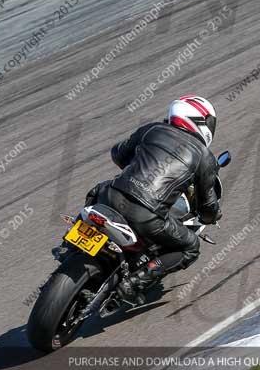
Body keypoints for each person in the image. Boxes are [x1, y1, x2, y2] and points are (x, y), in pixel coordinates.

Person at [85, 95, 221, 298]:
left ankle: (74, 246)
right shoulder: (204, 156)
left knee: (96, 191)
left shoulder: (152, 129)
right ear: (200, 121)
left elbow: (118, 154)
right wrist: (213, 215)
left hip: (110, 196)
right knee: (191, 247)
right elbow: (208, 206)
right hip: (146, 216)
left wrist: (142, 162)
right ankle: (133, 283)